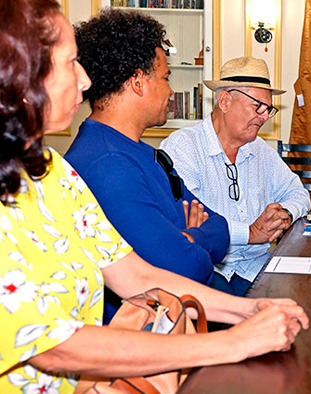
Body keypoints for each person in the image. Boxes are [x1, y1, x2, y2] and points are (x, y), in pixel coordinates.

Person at [0, 2, 308, 393]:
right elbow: (53, 346)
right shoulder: (98, 163)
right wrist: (234, 340)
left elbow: (136, 275)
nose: (84, 79)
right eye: (70, 63)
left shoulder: (53, 171)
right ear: (20, 73)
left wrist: (250, 309)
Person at [64, 9, 232, 321]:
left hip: (190, 312)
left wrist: (193, 237)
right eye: (166, 78)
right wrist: (190, 236)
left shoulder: (140, 153)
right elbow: (183, 269)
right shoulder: (108, 166)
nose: (170, 91)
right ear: (138, 82)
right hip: (148, 334)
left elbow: (220, 228)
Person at [160, 56, 311, 295]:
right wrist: (251, 232)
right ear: (225, 101)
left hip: (257, 268)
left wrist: (285, 213)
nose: (264, 117)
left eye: (267, 109)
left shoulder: (260, 150)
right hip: (208, 271)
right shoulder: (183, 148)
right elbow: (190, 220)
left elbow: (299, 194)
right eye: (257, 107)